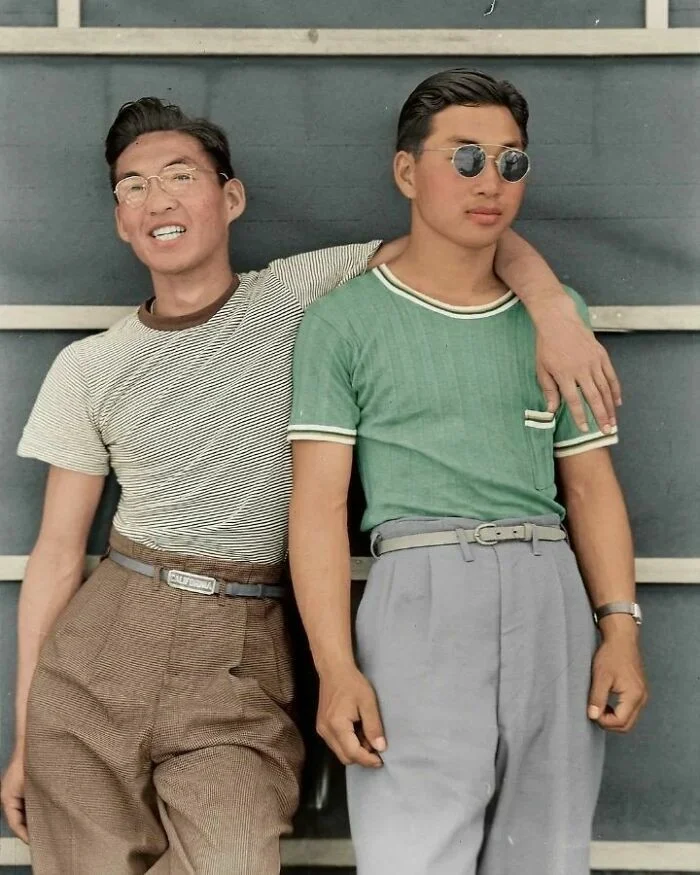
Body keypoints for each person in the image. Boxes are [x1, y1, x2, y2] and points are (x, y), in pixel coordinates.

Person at [1, 95, 620, 874]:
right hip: (107, 631)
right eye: (134, 187)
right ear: (121, 218)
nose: (157, 200)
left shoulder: (295, 293)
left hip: (240, 637)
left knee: (233, 857)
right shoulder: (87, 366)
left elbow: (466, 229)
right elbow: (58, 553)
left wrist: (554, 312)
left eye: (181, 176)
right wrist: (23, 734)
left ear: (230, 197)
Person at [287, 69, 647, 875]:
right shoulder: (344, 320)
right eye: (465, 157)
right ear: (406, 171)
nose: (491, 182)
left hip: (550, 593)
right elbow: (317, 507)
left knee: (546, 857)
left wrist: (620, 629)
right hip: (417, 595)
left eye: (511, 162)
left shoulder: (560, 320)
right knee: (412, 857)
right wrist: (336, 667)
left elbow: (590, 485)